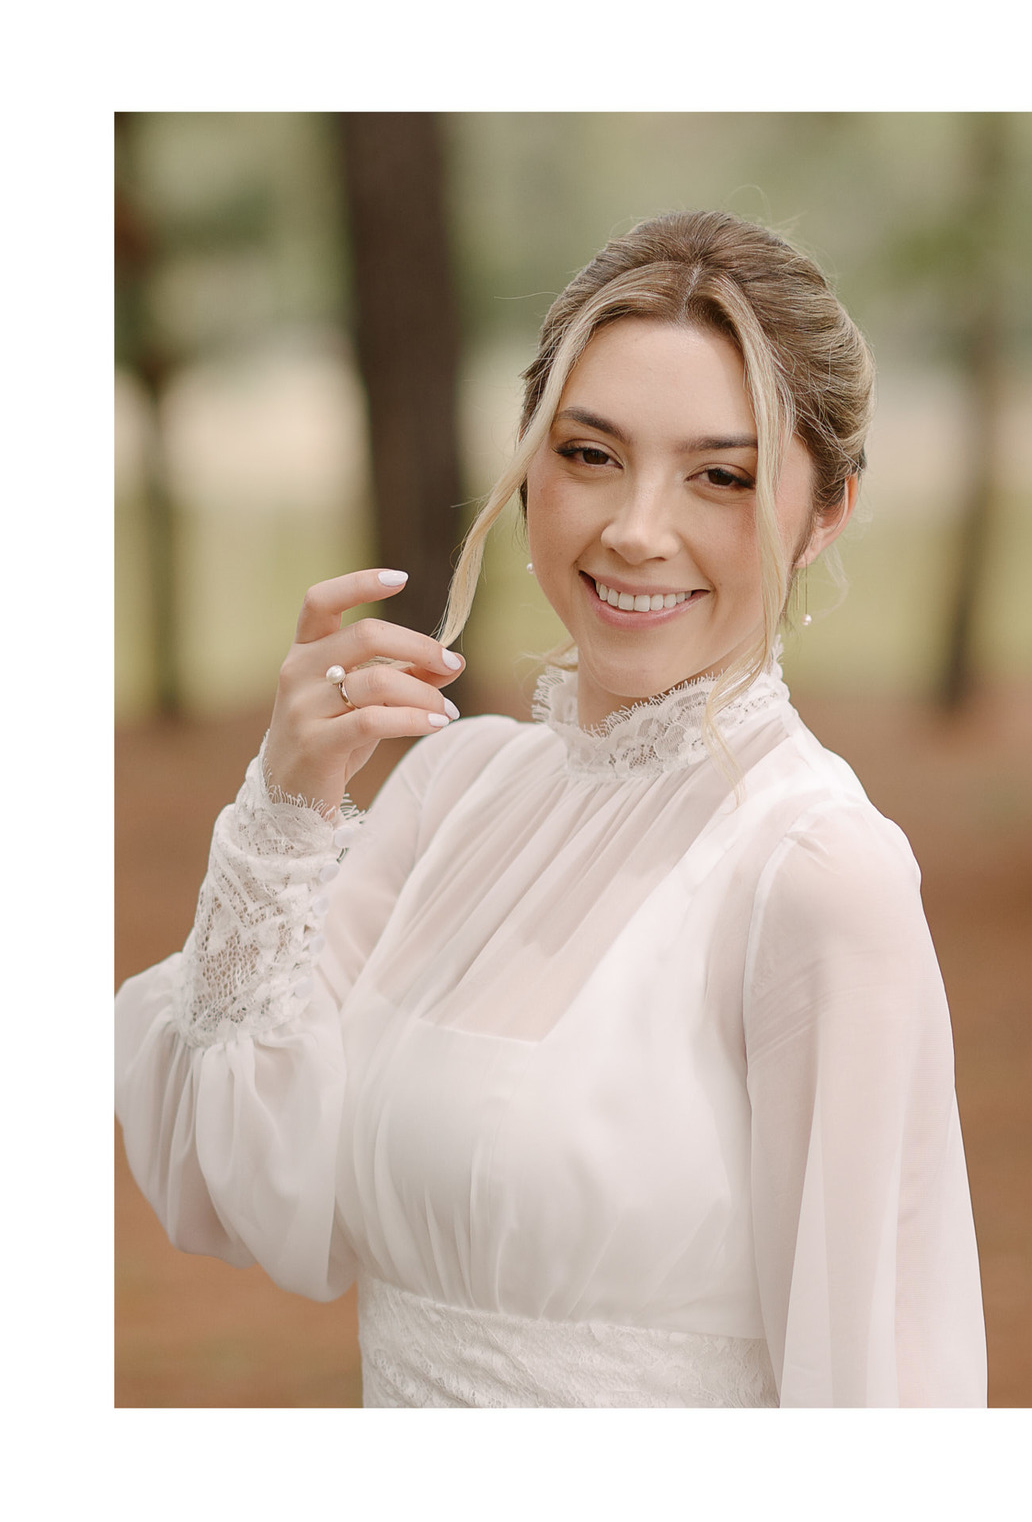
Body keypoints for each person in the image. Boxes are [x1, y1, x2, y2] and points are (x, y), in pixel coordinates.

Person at [115, 209, 987, 1407]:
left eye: (721, 476)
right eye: (589, 455)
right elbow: (234, 1179)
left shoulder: (817, 873)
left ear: (825, 510)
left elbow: (875, 1381)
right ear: (530, 463)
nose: (636, 529)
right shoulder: (453, 792)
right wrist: (286, 806)